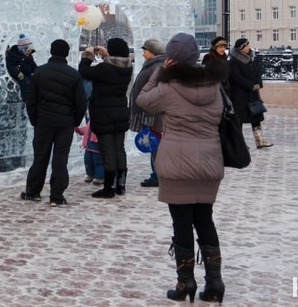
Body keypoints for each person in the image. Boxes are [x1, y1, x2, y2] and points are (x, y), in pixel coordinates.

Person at [135, 32, 227, 303]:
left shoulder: (168, 87)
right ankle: (215, 283)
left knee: (182, 223)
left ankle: (185, 282)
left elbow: (142, 98)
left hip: (176, 165)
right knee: (205, 219)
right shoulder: (214, 85)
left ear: (172, 58)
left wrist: (160, 73)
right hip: (209, 162)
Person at [20, 39, 87, 206]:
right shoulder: (73, 75)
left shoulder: (40, 72)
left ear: (51, 51)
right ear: (66, 53)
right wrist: (74, 121)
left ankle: (33, 191)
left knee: (40, 157)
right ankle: (57, 195)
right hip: (65, 123)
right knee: (60, 158)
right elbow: (81, 102)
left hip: (43, 121)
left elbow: (31, 99)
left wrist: (34, 119)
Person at [79, 38, 133, 198]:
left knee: (107, 150)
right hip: (120, 113)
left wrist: (88, 55)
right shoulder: (127, 68)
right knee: (119, 149)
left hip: (104, 114)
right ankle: (120, 185)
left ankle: (108, 188)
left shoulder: (103, 69)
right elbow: (114, 64)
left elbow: (84, 72)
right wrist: (106, 56)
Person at [129, 38, 166, 187]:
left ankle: (157, 175)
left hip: (153, 115)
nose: (143, 54)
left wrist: (148, 113)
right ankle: (157, 174)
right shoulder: (153, 65)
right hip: (152, 114)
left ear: (153, 52)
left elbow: (154, 91)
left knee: (156, 145)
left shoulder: (155, 67)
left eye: (145, 51)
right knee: (155, 145)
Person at [229, 38, 273, 148]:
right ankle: (241, 144)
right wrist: (250, 85)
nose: (249, 48)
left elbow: (258, 72)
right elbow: (236, 78)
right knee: (240, 119)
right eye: (246, 46)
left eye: (248, 45)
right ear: (241, 48)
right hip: (240, 95)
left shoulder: (252, 58)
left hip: (253, 94)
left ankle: (260, 141)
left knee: (256, 117)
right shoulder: (234, 61)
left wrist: (258, 84)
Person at [5, 33, 37, 100]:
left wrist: (38, 70)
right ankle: (26, 98)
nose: (29, 52)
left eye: (30, 51)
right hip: (20, 75)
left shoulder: (29, 56)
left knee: (34, 82)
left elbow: (33, 65)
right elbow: (11, 66)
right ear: (22, 49)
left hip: (28, 73)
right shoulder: (14, 56)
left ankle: (35, 96)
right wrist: (17, 73)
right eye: (28, 51)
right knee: (25, 83)